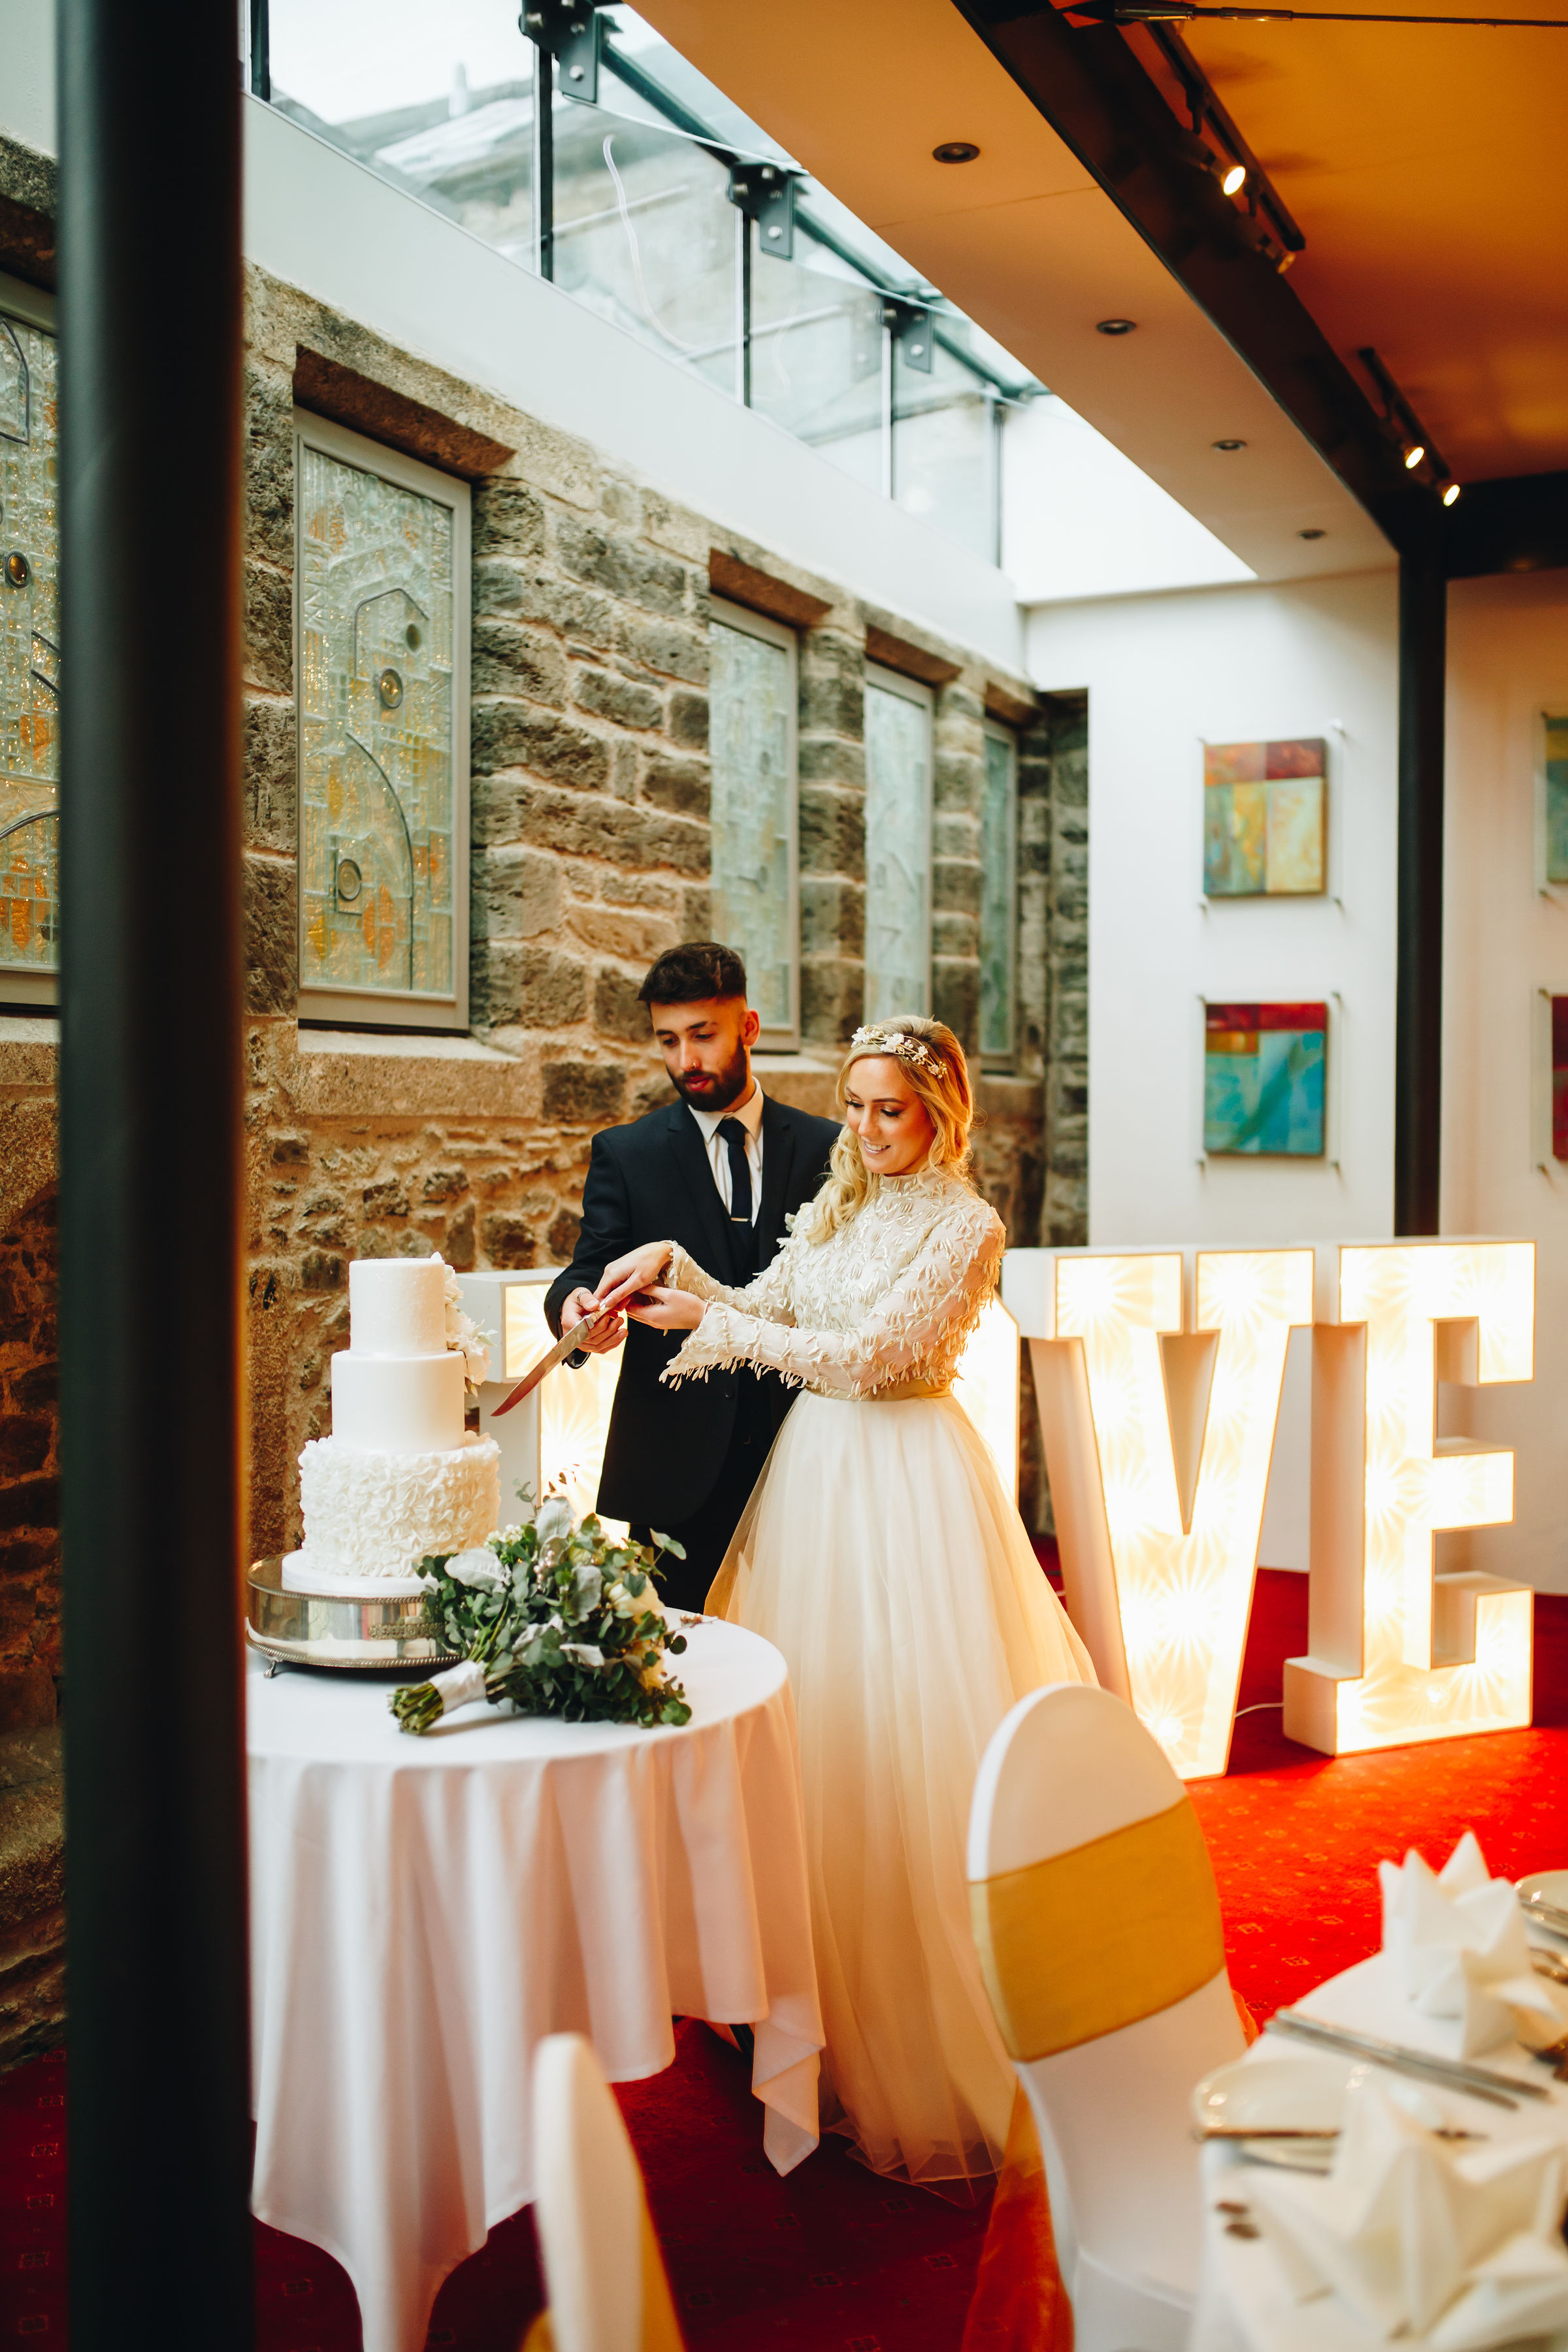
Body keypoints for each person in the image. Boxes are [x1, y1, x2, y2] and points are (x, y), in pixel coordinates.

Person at [593, 1016, 1097, 2198]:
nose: (867, 1132)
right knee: (810, 1740)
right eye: (859, 1106)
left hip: (906, 1483)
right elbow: (768, 1302)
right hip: (812, 1483)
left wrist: (724, 1326)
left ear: (942, 1114)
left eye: (892, 1112)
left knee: (912, 1737)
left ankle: (913, 2041)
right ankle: (795, 2004)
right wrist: (680, 1269)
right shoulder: (844, 1203)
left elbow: (867, 1358)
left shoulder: (967, 1226)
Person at [543, 941, 841, 1614]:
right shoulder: (628, 1153)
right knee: (686, 1664)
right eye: (668, 1040)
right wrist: (574, 1308)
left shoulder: (827, 1148)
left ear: (749, 1027)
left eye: (702, 1036)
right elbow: (589, 1264)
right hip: (673, 1466)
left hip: (804, 1452)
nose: (686, 1061)